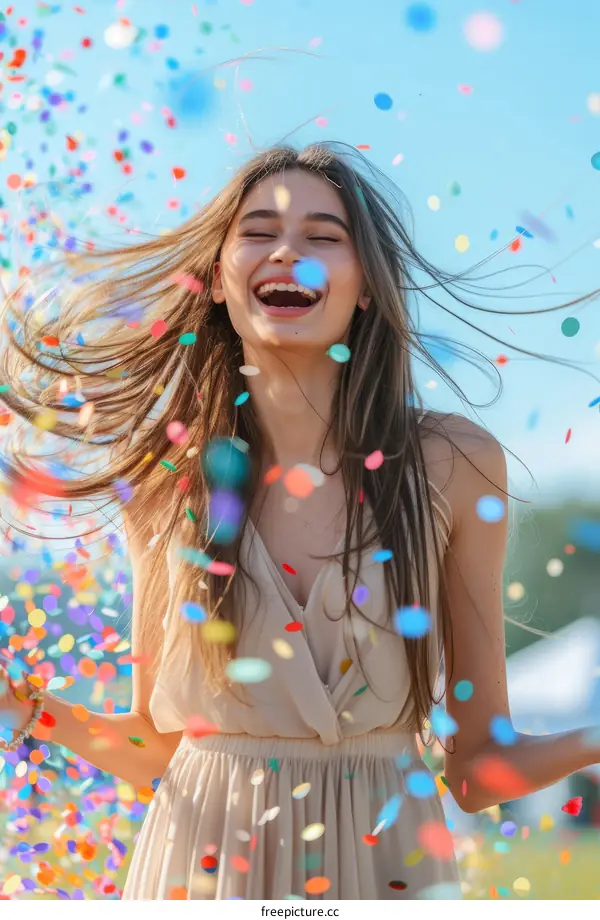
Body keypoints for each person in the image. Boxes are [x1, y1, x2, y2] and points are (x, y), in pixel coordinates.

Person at [0, 142, 598, 901]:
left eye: (323, 236)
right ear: (217, 279)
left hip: (390, 874)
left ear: (368, 288)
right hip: (202, 877)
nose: (287, 251)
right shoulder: (164, 480)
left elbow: (477, 770)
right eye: (257, 231)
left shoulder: (455, 462)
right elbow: (160, 745)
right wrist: (23, 710)